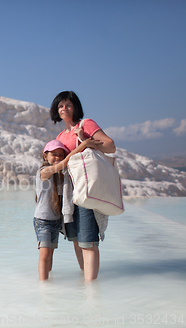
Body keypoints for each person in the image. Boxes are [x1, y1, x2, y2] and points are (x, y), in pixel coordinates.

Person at [50, 91, 116, 281]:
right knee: (76, 239)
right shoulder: (61, 135)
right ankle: (85, 286)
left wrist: (85, 139)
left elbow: (111, 145)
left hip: (87, 185)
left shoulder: (85, 124)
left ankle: (91, 289)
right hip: (69, 189)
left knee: (88, 239)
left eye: (68, 105)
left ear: (75, 107)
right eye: (61, 105)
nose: (64, 108)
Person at [34, 139, 100, 280]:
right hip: (43, 221)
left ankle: (48, 284)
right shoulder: (43, 172)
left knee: (50, 257)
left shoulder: (60, 176)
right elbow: (64, 164)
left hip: (55, 221)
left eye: (60, 154)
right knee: (44, 255)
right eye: (54, 154)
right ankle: (43, 287)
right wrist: (83, 145)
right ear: (45, 156)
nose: (57, 157)